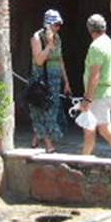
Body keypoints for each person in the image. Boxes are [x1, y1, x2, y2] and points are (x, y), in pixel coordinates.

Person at [80, 13, 111, 157]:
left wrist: (87, 99)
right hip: (106, 92)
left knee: (103, 129)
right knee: (91, 128)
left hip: (97, 94)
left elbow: (95, 75)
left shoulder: (96, 47)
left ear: (89, 29)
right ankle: (84, 159)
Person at [29, 9, 71, 153]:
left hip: (55, 79)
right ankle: (48, 145)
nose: (58, 28)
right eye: (56, 25)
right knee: (43, 110)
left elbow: (60, 60)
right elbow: (39, 60)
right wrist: (48, 46)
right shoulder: (37, 38)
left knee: (51, 110)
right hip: (41, 80)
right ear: (48, 24)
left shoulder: (58, 38)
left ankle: (36, 138)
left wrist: (66, 82)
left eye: (59, 25)